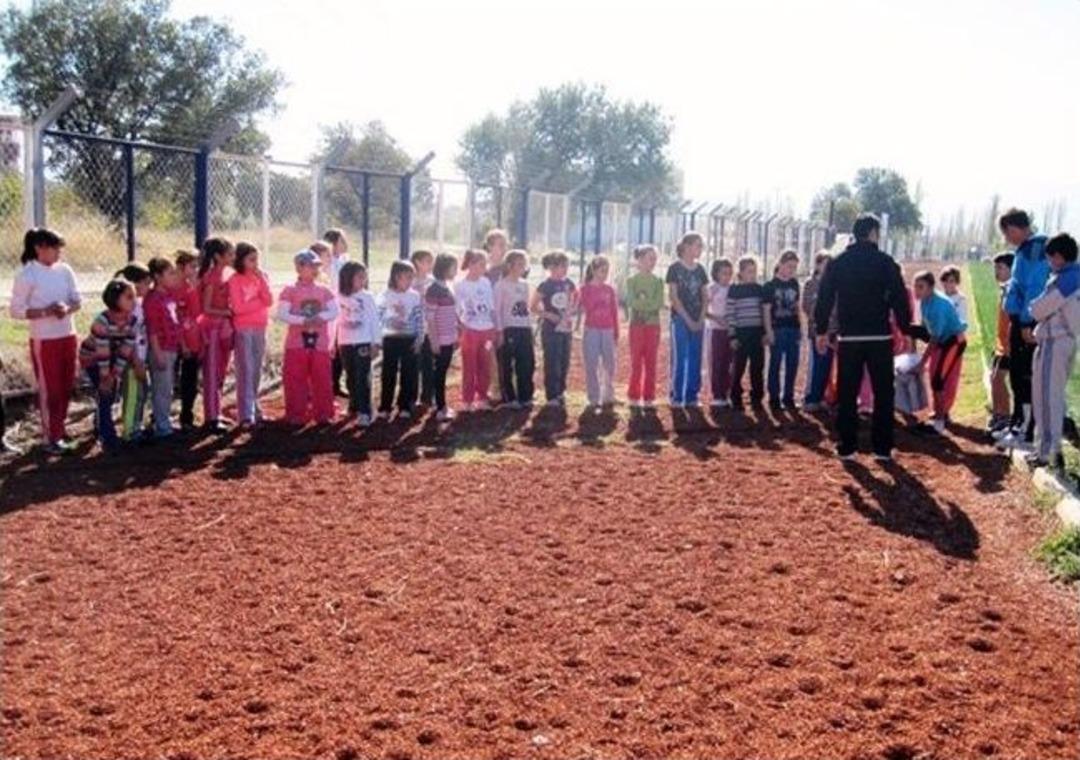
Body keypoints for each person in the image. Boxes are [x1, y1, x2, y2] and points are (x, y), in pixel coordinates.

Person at [814, 214, 912, 461]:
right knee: (883, 392)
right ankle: (882, 448)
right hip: (879, 336)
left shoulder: (838, 262)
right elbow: (900, 298)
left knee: (847, 393)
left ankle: (847, 447)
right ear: (873, 233)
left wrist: (821, 330)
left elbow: (824, 298)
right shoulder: (885, 262)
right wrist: (904, 327)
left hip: (850, 338)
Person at [9, 228, 81, 454]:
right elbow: (16, 311)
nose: (58, 252)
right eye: (54, 248)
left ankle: (59, 429)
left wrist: (66, 308)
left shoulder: (65, 270)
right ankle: (51, 437)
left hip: (67, 334)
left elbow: (77, 301)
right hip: (44, 339)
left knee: (67, 385)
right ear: (39, 248)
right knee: (50, 389)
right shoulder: (27, 275)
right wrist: (46, 312)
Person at [998, 208, 1049, 449]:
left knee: (1026, 377)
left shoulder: (1036, 249)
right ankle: (1018, 425)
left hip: (1029, 322)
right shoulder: (1024, 249)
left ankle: (1028, 434)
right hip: (1020, 320)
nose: (1007, 239)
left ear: (1016, 228)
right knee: (1018, 376)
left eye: (1007, 233)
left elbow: (1035, 287)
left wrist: (1028, 321)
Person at [1028, 233, 1079, 469]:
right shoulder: (1071, 276)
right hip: (1064, 342)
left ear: (1058, 257)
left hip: (1055, 342)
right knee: (1052, 396)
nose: (1049, 262)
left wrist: (1033, 307)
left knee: (1047, 398)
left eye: (1050, 258)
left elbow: (1037, 310)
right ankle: (1050, 449)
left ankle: (1048, 453)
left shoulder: (1067, 280)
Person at [276, 250, 339, 425]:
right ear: (299, 267)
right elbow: (282, 314)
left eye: (316, 266)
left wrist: (321, 318)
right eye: (310, 265)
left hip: (320, 343)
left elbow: (334, 310)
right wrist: (303, 320)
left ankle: (324, 413)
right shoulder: (290, 290)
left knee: (322, 377)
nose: (314, 269)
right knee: (295, 378)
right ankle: (296, 414)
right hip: (296, 344)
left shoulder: (324, 290)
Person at [78, 279, 137, 452]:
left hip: (111, 359)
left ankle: (100, 425)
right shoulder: (102, 321)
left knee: (111, 394)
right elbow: (101, 352)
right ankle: (108, 437)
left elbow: (126, 350)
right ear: (115, 299)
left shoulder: (132, 321)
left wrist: (115, 374)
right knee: (106, 393)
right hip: (93, 358)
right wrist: (105, 377)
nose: (134, 301)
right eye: (129, 297)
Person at [910, 271, 967, 434]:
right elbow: (927, 328)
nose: (916, 290)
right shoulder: (925, 301)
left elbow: (934, 338)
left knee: (938, 381)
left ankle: (940, 424)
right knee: (935, 379)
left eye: (921, 287)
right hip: (942, 341)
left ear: (931, 287)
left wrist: (922, 363)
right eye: (915, 286)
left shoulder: (939, 305)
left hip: (953, 342)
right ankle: (938, 414)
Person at [227, 242, 273, 428]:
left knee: (256, 369)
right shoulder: (235, 280)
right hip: (244, 329)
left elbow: (269, 300)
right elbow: (238, 308)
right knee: (245, 369)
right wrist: (258, 304)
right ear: (241, 260)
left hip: (260, 327)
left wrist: (262, 281)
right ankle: (246, 414)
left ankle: (254, 405)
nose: (255, 263)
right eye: (251, 260)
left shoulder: (260, 277)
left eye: (257, 259)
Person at [666, 231, 709, 408]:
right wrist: (688, 320)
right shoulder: (674, 268)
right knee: (679, 357)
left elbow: (705, 296)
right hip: (680, 320)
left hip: (698, 320)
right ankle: (677, 396)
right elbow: (673, 297)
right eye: (698, 245)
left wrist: (700, 319)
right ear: (686, 246)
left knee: (695, 357)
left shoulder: (700, 269)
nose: (700, 249)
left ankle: (692, 396)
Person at [197, 237, 235, 433]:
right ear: (218, 257)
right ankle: (211, 417)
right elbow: (207, 307)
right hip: (212, 329)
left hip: (224, 328)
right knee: (212, 373)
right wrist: (227, 312)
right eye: (229, 254)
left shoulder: (226, 274)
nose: (233, 257)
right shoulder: (212, 277)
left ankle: (217, 412)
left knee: (221, 372)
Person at [378, 260, 424, 420]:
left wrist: (419, 338)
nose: (410, 280)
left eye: (412, 277)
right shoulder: (385, 295)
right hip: (390, 339)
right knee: (388, 373)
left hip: (409, 339)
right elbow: (379, 317)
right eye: (406, 277)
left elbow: (419, 318)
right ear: (396, 277)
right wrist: (378, 338)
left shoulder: (415, 296)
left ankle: (404, 405)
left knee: (408, 373)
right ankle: (385, 406)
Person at [336, 261, 380, 426]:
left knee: (363, 376)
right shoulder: (338, 296)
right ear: (347, 278)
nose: (364, 280)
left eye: (365, 277)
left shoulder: (367, 297)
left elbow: (375, 320)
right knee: (350, 376)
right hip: (345, 342)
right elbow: (335, 320)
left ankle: (365, 411)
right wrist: (332, 342)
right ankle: (354, 405)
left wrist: (376, 343)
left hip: (363, 341)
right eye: (360, 276)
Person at [144, 257, 183, 439]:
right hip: (162, 349)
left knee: (167, 387)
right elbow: (152, 329)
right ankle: (162, 425)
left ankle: (164, 420)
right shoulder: (152, 300)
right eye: (170, 273)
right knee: (161, 388)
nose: (174, 277)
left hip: (171, 348)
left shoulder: (168, 296)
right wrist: (157, 353)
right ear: (157, 277)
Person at [532, 250, 577, 406]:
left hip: (565, 329)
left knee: (564, 360)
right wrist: (548, 315)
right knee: (552, 360)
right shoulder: (545, 285)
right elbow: (533, 306)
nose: (565, 269)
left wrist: (571, 313)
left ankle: (561, 391)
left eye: (566, 266)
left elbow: (574, 300)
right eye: (561, 266)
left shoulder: (569, 283)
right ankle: (551, 394)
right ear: (551, 267)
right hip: (551, 330)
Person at [455, 249, 497, 411]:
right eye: (480, 264)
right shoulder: (460, 284)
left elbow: (491, 306)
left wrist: (493, 327)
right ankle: (467, 399)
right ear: (471, 264)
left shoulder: (486, 282)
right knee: (469, 366)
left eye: (485, 264)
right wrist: (462, 326)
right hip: (470, 331)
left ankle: (483, 398)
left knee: (484, 364)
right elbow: (457, 309)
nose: (484, 268)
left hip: (486, 330)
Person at [493, 250, 535, 408]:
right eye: (518, 264)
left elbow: (527, 308)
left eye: (524, 264)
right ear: (509, 265)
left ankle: (526, 396)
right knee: (506, 364)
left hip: (524, 327)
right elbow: (497, 310)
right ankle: (509, 398)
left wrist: (530, 326)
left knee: (527, 362)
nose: (522, 267)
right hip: (509, 328)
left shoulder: (525, 284)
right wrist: (500, 331)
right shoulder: (501, 285)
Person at [625, 244, 665, 409]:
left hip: (653, 327)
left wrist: (642, 304)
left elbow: (658, 303)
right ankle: (633, 395)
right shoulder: (631, 280)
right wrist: (646, 305)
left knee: (651, 362)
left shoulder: (658, 281)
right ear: (640, 260)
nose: (653, 262)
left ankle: (649, 396)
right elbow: (630, 302)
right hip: (636, 327)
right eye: (650, 258)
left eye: (655, 259)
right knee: (636, 362)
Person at [728, 256, 769, 411]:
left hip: (756, 334)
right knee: (738, 367)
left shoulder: (760, 289)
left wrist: (765, 332)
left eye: (755, 271)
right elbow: (730, 313)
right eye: (749, 271)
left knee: (757, 367)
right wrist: (732, 336)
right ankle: (735, 396)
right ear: (741, 273)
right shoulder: (734, 290)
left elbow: (764, 313)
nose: (753, 274)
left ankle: (757, 397)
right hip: (741, 334)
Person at [578, 255, 619, 408]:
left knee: (610, 362)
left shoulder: (609, 289)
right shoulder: (585, 288)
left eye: (607, 271)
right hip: (592, 330)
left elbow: (614, 312)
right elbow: (585, 307)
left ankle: (608, 394)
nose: (605, 274)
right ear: (594, 270)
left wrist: (616, 332)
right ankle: (593, 397)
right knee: (591, 363)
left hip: (607, 329)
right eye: (602, 271)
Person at [764, 249, 802, 410]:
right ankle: (774, 397)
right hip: (777, 328)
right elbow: (766, 310)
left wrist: (800, 327)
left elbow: (797, 307)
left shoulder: (794, 284)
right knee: (775, 363)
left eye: (794, 267)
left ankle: (788, 396)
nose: (791, 270)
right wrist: (769, 331)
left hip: (793, 327)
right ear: (780, 264)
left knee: (793, 363)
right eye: (788, 266)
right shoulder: (770, 285)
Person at [426, 253, 460, 421]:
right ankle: (440, 407)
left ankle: (437, 403)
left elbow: (452, 312)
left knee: (442, 372)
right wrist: (434, 341)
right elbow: (430, 318)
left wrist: (456, 332)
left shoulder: (448, 286)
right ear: (444, 268)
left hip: (448, 338)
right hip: (440, 340)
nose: (456, 270)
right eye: (454, 266)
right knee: (439, 373)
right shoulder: (434, 289)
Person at [174, 249, 202, 430]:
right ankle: (158, 416)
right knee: (169, 378)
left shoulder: (192, 287)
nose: (195, 269)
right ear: (181, 267)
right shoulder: (174, 288)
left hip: (191, 339)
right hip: (175, 340)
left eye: (196, 265)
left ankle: (186, 415)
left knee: (190, 378)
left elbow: (197, 313)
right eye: (192, 266)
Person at [988, 252, 1016, 434]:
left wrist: (1008, 344)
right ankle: (999, 414)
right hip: (1001, 343)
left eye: (1000, 268)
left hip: (1009, 345)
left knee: (998, 378)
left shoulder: (1013, 290)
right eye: (995, 268)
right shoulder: (1004, 289)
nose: (996, 272)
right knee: (994, 378)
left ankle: (1005, 417)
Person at [801, 251, 832, 412]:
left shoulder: (835, 284)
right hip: (816, 331)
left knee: (827, 365)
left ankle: (821, 397)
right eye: (823, 263)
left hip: (832, 332)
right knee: (816, 364)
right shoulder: (810, 284)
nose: (826, 267)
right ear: (817, 265)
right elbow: (806, 307)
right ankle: (811, 398)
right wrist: (821, 318)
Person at [323, 230, 350, 398]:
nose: (345, 244)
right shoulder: (327, 263)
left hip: (343, 307)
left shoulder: (344, 260)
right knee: (328, 346)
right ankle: (324, 383)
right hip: (329, 309)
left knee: (340, 346)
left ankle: (336, 383)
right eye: (342, 240)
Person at [484, 229, 510, 402]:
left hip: (507, 318)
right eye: (499, 245)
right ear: (489, 247)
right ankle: (493, 387)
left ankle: (507, 387)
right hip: (488, 319)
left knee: (506, 354)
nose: (502, 248)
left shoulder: (510, 268)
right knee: (490, 352)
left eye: (504, 245)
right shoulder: (483, 270)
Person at [706, 258, 734, 408]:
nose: (727, 277)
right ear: (716, 273)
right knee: (716, 362)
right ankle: (717, 395)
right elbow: (704, 311)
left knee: (728, 363)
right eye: (724, 273)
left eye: (730, 273)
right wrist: (716, 318)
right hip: (716, 330)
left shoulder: (733, 289)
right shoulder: (712, 289)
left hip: (730, 332)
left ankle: (726, 393)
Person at [411, 249, 437, 407]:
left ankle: (428, 396)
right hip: (413, 329)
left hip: (429, 328)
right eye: (427, 261)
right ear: (417, 262)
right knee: (413, 364)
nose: (430, 264)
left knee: (428, 363)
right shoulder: (410, 280)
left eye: (431, 261)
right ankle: (411, 398)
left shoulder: (432, 281)